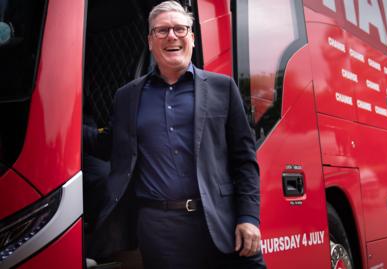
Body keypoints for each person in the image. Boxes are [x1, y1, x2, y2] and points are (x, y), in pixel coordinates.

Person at [83, 1, 265, 268]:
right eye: (162, 30)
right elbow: (107, 145)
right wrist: (58, 128)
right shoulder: (127, 97)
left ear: (192, 37)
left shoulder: (222, 88)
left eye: (180, 29)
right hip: (159, 231)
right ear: (149, 41)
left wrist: (248, 218)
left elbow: (245, 161)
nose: (172, 36)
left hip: (221, 223)